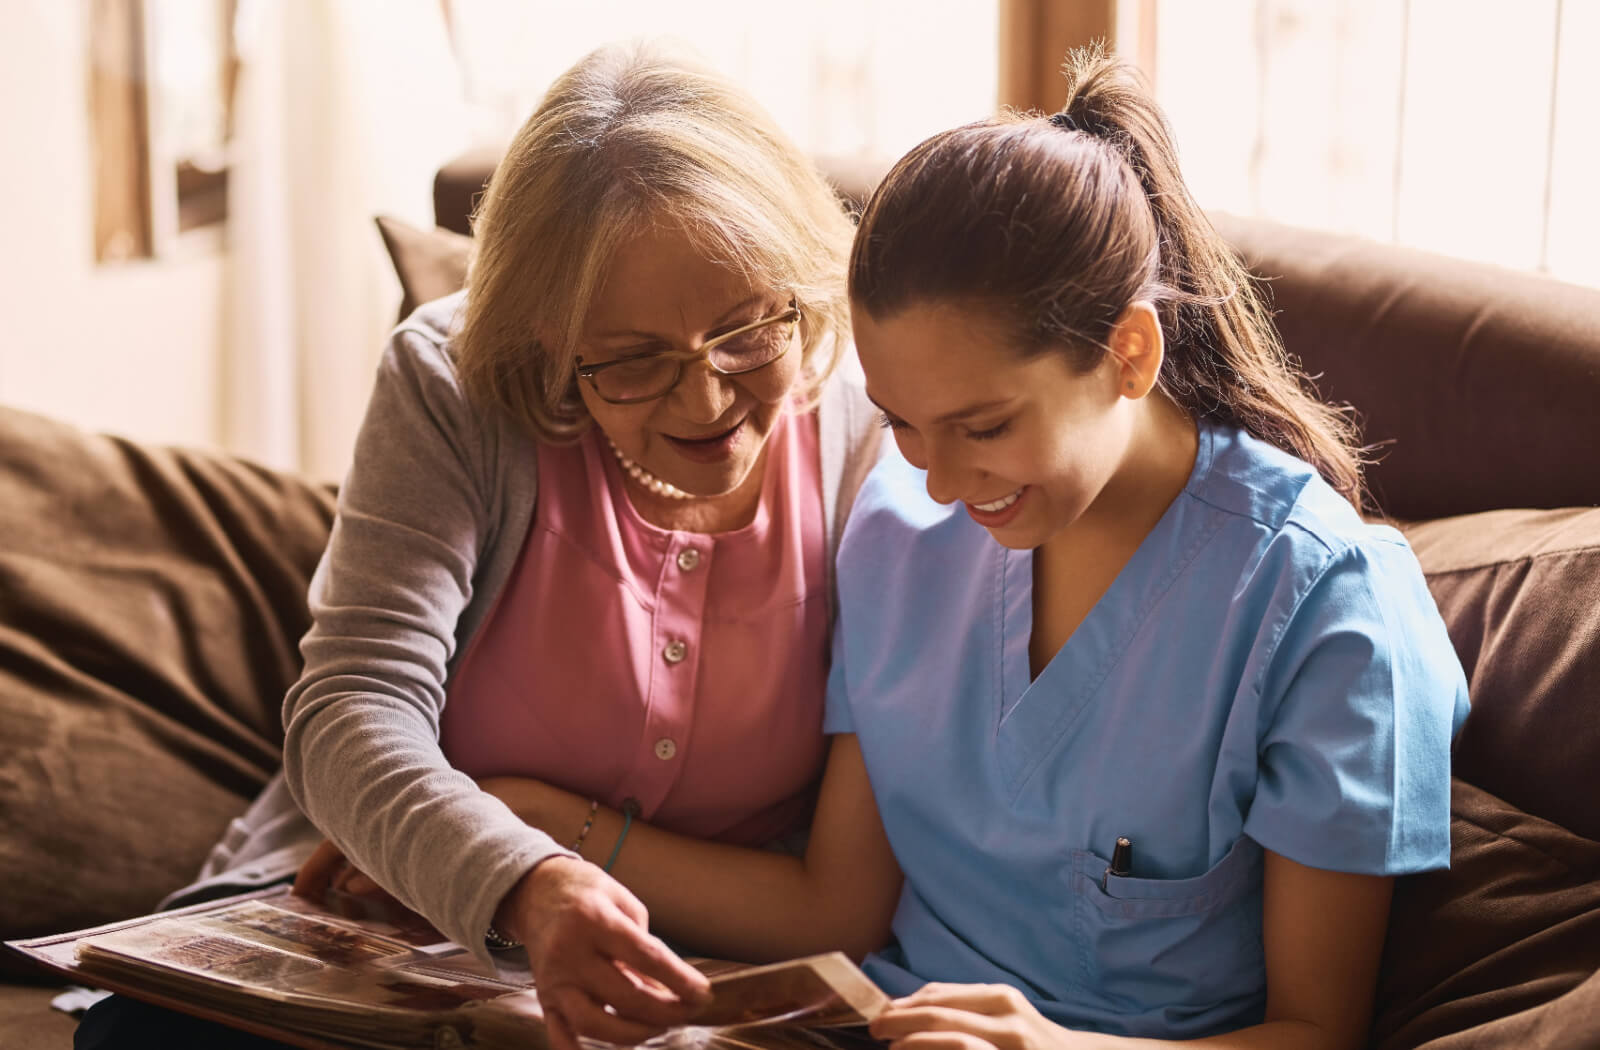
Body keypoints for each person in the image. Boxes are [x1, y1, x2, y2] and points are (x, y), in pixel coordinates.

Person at [473, 46, 1471, 1049]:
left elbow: (1318, 1030)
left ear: (1127, 352)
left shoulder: (1326, 612)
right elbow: (831, 910)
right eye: (902, 423)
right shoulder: (895, 529)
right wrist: (509, 825)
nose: (940, 483)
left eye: (983, 427)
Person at [74, 40, 885, 1049]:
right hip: (392, 913)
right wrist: (526, 879)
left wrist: (542, 819)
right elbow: (348, 708)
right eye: (630, 361)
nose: (709, 396)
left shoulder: (870, 424)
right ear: (548, 336)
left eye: (747, 330)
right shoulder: (452, 385)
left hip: (698, 955)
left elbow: (847, 889)